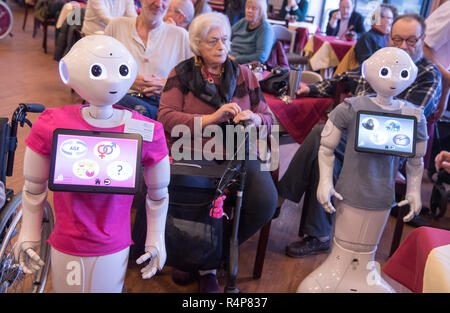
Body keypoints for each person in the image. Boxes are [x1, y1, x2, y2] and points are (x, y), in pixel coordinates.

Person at [13, 35, 170, 292]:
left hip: (114, 244)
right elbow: (33, 187)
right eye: (98, 70)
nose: (110, 80)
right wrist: (29, 233)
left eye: (120, 70)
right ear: (66, 72)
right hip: (67, 240)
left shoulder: (146, 131)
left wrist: (156, 238)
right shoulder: (52, 123)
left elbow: (159, 193)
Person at [280, 13, 442, 259]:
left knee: (320, 136)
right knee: (325, 149)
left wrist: (353, 117)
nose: (402, 46)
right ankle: (319, 236)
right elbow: (343, 79)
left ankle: (281, 199)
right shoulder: (378, 62)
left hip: (386, 150)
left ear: (422, 39)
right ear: (388, 37)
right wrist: (309, 88)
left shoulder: (427, 73)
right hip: (351, 139)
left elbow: (404, 121)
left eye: (411, 40)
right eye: (397, 39)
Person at [158, 12, 278, 293]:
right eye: (213, 41)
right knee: (194, 188)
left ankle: (210, 253)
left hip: (237, 149)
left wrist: (255, 118)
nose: (222, 46)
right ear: (197, 45)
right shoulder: (182, 74)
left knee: (265, 199)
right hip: (195, 147)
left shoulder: (244, 74)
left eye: (225, 39)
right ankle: (202, 264)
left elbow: (268, 116)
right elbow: (166, 116)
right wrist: (212, 118)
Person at [298, 47, 427, 292]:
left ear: (411, 75)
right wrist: (325, 181)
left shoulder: (413, 115)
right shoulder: (351, 107)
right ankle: (335, 272)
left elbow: (416, 160)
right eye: (386, 71)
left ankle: (364, 275)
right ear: (368, 70)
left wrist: (414, 191)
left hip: (383, 194)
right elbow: (326, 147)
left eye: (400, 73)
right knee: (344, 243)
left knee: (368, 247)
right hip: (350, 189)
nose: (391, 80)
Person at [104, 0, 193, 120]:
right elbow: (101, 70)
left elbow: (194, 82)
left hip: (161, 105)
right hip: (122, 100)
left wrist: (169, 85)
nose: (158, 4)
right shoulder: (117, 26)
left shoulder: (180, 36)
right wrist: (127, 81)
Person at [423, 0, 450, 122]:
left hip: (438, 85)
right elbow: (421, 46)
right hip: (423, 82)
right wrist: (446, 75)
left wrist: (444, 95)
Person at [229, 0, 275, 65]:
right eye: (247, 7)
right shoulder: (243, 22)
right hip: (228, 58)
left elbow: (261, 57)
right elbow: (226, 36)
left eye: (254, 8)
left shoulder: (266, 29)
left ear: (261, 11)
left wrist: (236, 59)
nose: (249, 11)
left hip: (244, 66)